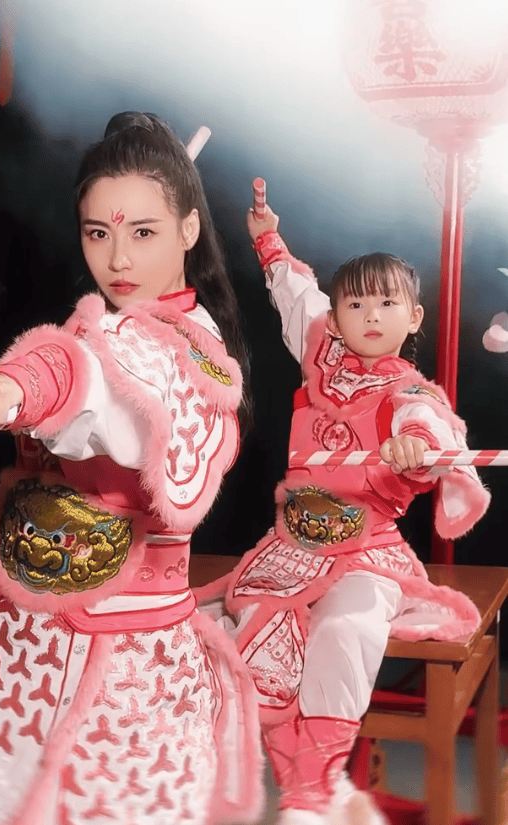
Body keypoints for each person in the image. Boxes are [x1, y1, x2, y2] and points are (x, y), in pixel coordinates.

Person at [0, 112, 263, 825]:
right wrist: (12, 390)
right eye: (98, 233)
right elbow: (76, 361)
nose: (118, 259)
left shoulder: (184, 352)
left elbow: (92, 387)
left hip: (128, 666)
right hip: (35, 641)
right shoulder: (107, 326)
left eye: (143, 233)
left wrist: (11, 388)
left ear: (189, 230)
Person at [198, 201, 491, 825]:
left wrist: (416, 446)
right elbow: (296, 295)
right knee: (236, 628)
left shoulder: (410, 390)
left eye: (386, 303)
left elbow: (429, 424)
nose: (371, 315)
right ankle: (301, 785)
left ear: (413, 316)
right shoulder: (321, 355)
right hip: (291, 548)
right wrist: (269, 241)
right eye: (355, 304)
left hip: (366, 550)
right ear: (337, 317)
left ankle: (311, 790)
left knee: (346, 627)